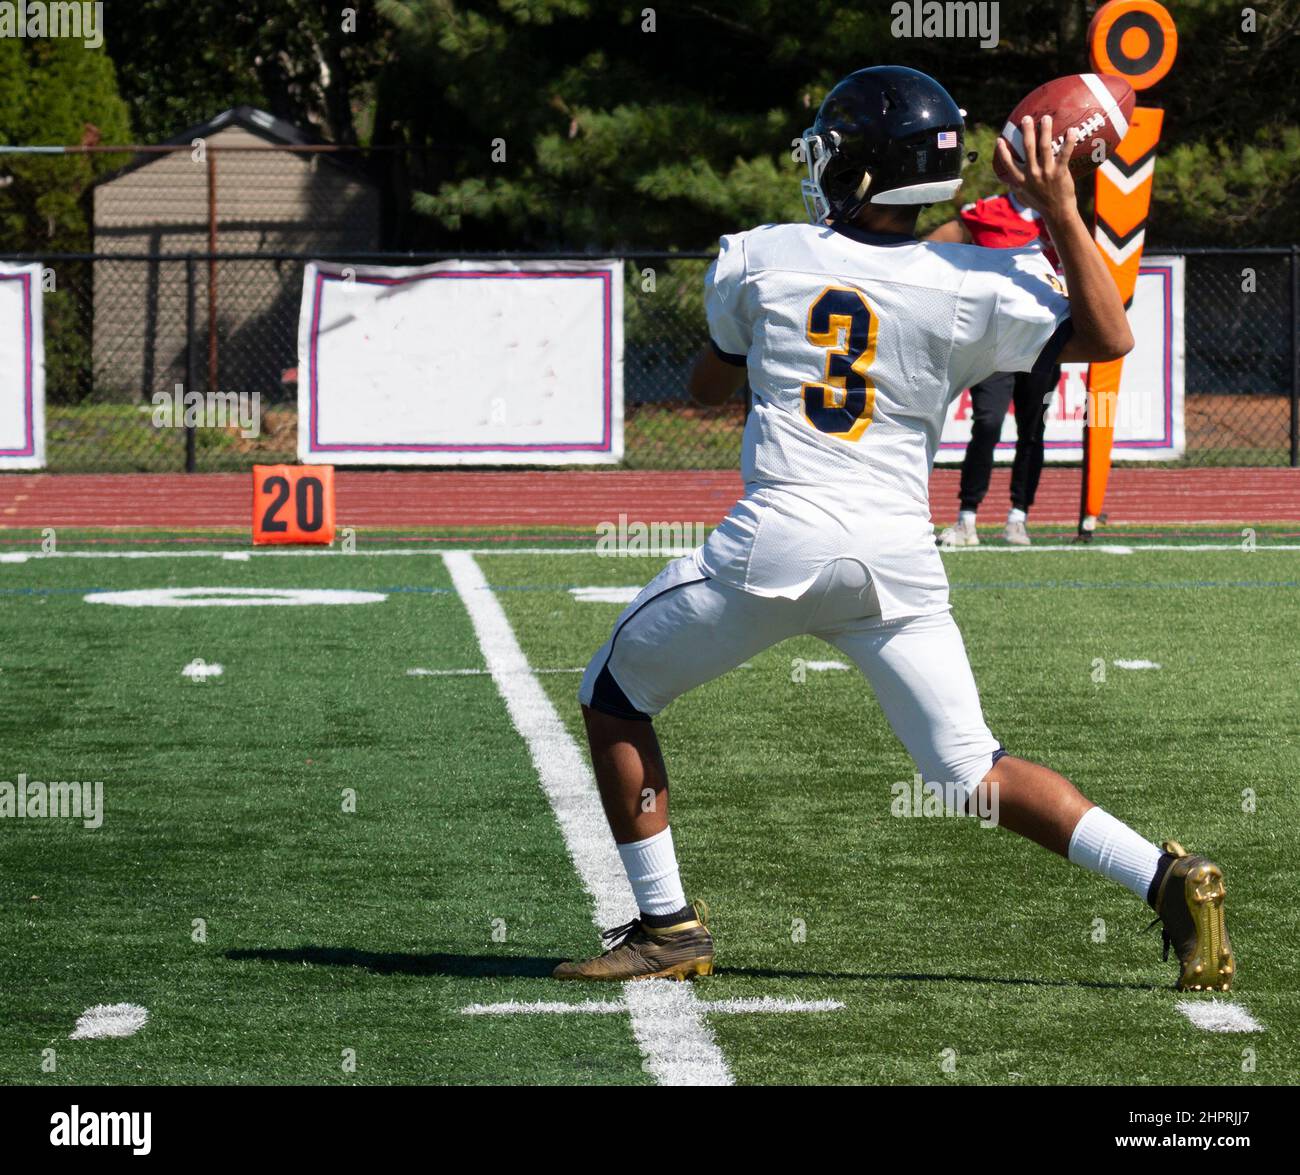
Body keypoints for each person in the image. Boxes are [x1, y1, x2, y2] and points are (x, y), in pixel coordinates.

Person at [554, 66, 1233, 994]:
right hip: (896, 561)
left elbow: (707, 390)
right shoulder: (976, 281)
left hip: (778, 545)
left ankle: (667, 923)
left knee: (613, 694)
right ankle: (1162, 876)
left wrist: (756, 361)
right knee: (968, 768)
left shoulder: (762, 255)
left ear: (858, 170)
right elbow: (1110, 338)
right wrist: (1065, 207)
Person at [929, 191, 1061, 546]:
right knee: (987, 422)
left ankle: (1018, 517)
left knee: (1031, 429)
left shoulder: (1060, 210)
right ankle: (967, 518)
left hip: (1042, 341)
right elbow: (933, 245)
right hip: (995, 340)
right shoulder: (984, 211)